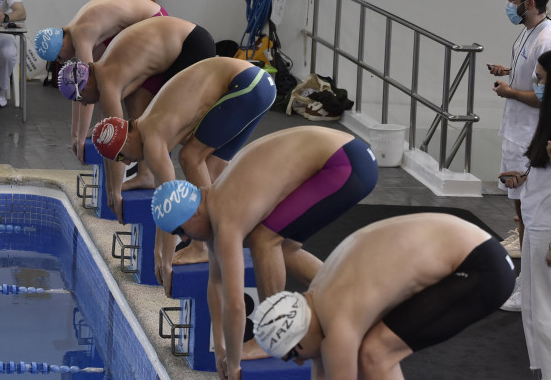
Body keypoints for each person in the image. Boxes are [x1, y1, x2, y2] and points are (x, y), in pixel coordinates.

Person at [150, 126, 377, 375]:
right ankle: (350, 302)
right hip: (350, 156)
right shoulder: (213, 201)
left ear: (193, 213)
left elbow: (236, 304)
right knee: (285, 248)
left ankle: (273, 337)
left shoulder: (226, 218)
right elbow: (216, 285)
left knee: (264, 240)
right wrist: (222, 349)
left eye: (180, 231)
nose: (184, 238)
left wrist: (235, 364)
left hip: (345, 164)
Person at [251, 214, 515, 380]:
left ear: (299, 334)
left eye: (292, 355)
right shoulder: (320, 297)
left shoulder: (338, 318)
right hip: (474, 250)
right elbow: (322, 364)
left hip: (482, 268)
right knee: (370, 352)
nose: (298, 362)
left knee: (375, 354)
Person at [90, 58, 276, 294]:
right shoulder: (150, 123)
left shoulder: (153, 138)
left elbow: (170, 199)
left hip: (247, 85)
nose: (127, 162)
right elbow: (167, 198)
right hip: (259, 85)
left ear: (126, 138)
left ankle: (202, 246)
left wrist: (164, 258)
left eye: (121, 156)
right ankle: (221, 236)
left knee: (190, 157)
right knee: (210, 167)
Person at [58, 15, 216, 220]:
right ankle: (148, 175)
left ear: (87, 83)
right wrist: (110, 186)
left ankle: (189, 207)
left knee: (172, 130)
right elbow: (110, 140)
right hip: (177, 43)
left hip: (191, 46)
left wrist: (114, 191)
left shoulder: (108, 83)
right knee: (140, 105)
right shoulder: (104, 70)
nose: (86, 104)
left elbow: (116, 142)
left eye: (81, 99)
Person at [34, 0, 167, 163]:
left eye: (60, 59)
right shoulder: (72, 30)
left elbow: (86, 88)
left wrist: (80, 138)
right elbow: (79, 91)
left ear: (61, 48)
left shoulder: (81, 35)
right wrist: (75, 133)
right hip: (145, 20)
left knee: (131, 98)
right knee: (98, 72)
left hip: (156, 21)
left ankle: (135, 157)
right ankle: (104, 126)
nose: (64, 62)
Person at [488, 0, 551, 311]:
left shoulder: (546, 39)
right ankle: (527, 281)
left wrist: (511, 92)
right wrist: (509, 72)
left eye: (511, 0)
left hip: (532, 140)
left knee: (532, 217)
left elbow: (545, 96)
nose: (508, 5)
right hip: (516, 135)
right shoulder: (529, 33)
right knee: (521, 214)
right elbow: (534, 74)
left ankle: (532, 289)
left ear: (529, 2)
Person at [500, 48, 551, 378]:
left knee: (544, 310)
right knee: (534, 307)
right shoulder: (547, 120)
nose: (536, 83)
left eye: (542, 79)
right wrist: (525, 177)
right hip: (537, 218)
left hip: (547, 227)